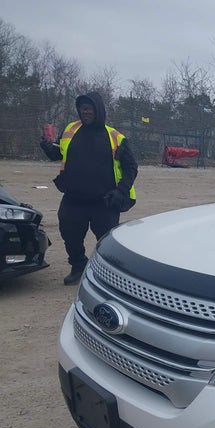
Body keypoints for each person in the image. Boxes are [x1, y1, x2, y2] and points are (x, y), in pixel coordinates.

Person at [40, 92, 138, 285]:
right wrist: (46, 147)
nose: (85, 111)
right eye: (82, 108)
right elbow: (58, 153)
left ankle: (108, 274)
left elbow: (131, 167)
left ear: (98, 110)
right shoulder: (71, 130)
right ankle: (78, 266)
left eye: (89, 107)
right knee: (70, 236)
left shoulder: (115, 137)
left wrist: (121, 191)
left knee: (107, 242)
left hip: (104, 201)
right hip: (73, 200)